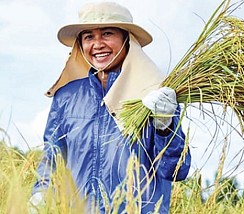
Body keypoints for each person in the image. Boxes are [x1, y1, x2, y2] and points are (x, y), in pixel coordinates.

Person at [30, 2, 191, 213]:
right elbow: (52, 155)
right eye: (88, 36)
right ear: (80, 44)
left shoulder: (154, 95)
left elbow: (175, 171)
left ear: (127, 40)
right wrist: (40, 191)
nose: (97, 44)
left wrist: (165, 126)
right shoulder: (66, 97)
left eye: (107, 33)